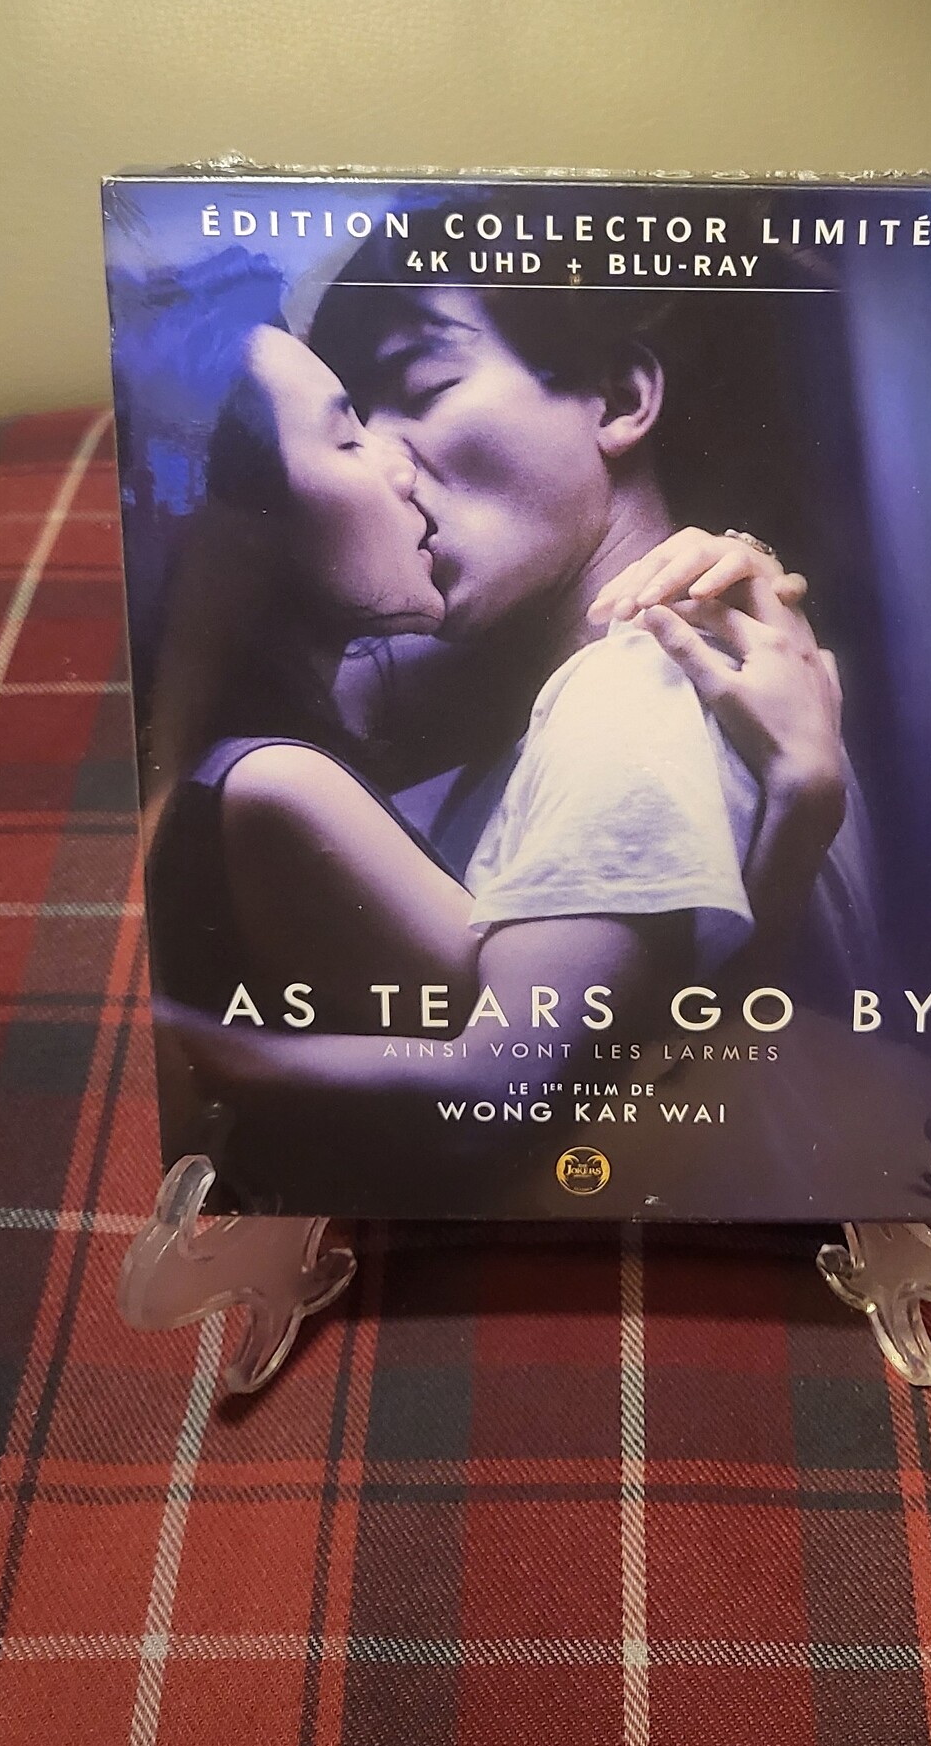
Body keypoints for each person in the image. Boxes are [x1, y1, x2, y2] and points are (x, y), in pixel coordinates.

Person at [142, 319, 851, 1206]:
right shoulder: (303, 762)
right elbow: (542, 1100)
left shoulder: (635, 682)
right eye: (350, 433)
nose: (396, 463)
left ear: (622, 398)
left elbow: (540, 1092)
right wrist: (798, 819)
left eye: (426, 386)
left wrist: (751, 569)